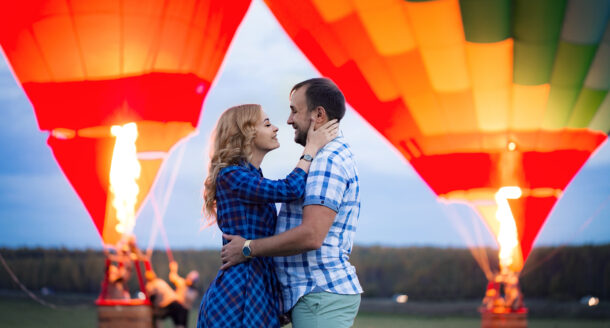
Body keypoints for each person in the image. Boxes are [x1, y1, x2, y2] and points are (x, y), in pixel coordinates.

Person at [221, 78, 363, 328]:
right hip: (298, 292)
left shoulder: (326, 161)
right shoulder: (241, 176)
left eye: (294, 110)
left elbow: (311, 235)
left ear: (318, 115)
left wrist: (247, 248)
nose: (286, 121)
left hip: (318, 292)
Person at [197, 104, 339, 328]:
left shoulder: (252, 175)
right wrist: (311, 148)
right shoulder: (232, 176)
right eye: (267, 124)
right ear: (246, 133)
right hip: (239, 292)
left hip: (257, 287)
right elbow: (289, 189)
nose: (276, 128)